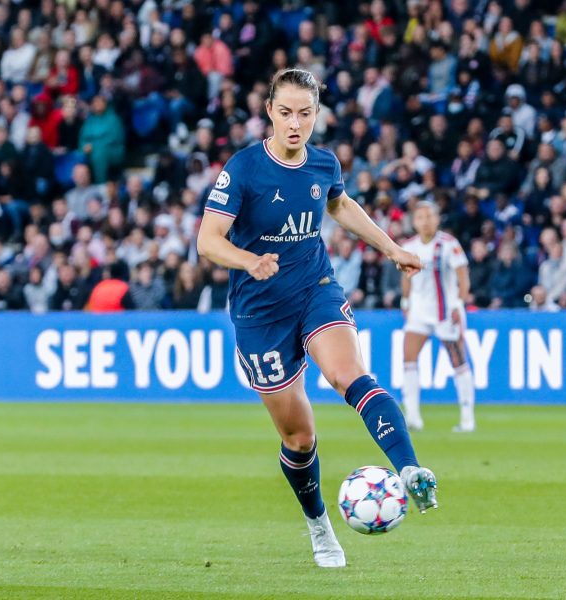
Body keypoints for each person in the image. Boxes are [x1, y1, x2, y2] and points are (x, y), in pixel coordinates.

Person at [196, 69, 437, 569]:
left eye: (305, 113)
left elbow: (341, 205)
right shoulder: (242, 170)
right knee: (299, 439)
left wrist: (392, 248)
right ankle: (319, 526)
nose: (295, 123)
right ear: (269, 111)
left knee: (350, 375)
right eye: (285, 112)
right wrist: (248, 261)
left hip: (315, 290)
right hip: (258, 312)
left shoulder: (324, 163)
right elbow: (208, 240)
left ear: (316, 115)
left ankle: (410, 469)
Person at [400, 201, 475, 432]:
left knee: (458, 361)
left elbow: (463, 277)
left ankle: (467, 418)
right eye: (420, 217)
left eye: (429, 216)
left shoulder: (449, 244)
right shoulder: (410, 246)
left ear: (437, 219)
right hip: (420, 311)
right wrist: (405, 301)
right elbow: (405, 277)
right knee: (409, 359)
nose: (425, 221)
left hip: (446, 312)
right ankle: (412, 416)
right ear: (414, 222)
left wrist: (459, 303)